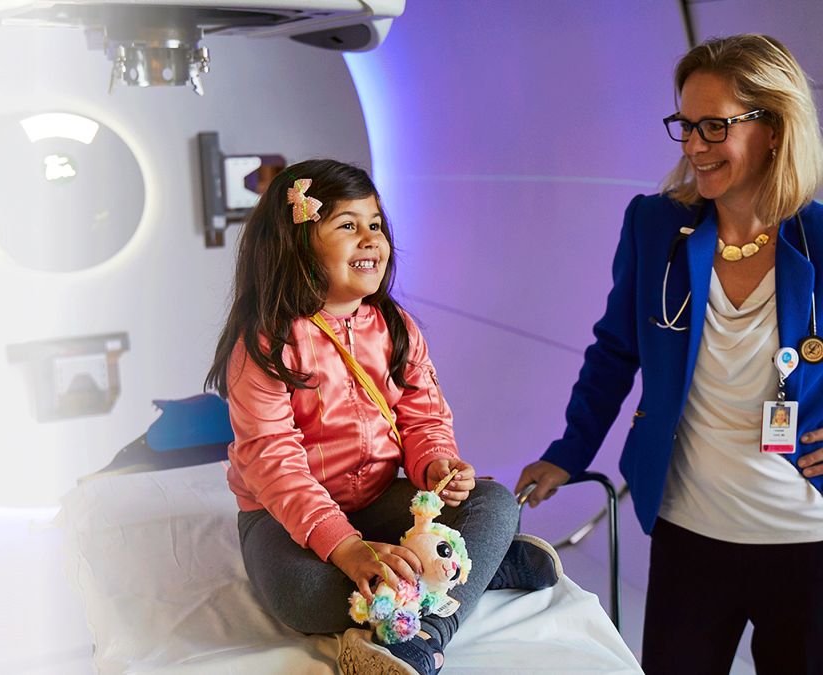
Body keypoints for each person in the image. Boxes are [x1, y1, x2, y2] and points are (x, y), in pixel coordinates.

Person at [515, 34, 823, 674]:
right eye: (685, 125)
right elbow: (614, 351)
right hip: (689, 531)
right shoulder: (654, 225)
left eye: (715, 126)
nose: (694, 146)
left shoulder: (819, 237)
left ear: (773, 129)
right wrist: (569, 453)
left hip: (806, 541)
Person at [206, 159, 560, 675]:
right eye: (348, 226)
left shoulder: (397, 328)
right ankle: (478, 571)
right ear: (295, 245)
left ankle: (422, 637)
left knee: (495, 502)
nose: (371, 238)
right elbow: (274, 464)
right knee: (303, 598)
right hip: (282, 518)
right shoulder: (266, 346)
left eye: (375, 224)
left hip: (376, 499)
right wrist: (346, 549)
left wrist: (436, 465)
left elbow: (424, 420)